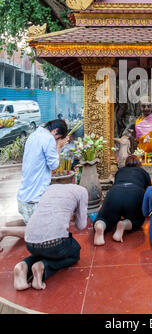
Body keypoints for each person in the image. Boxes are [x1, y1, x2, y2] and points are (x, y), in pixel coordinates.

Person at [0, 119, 69, 250]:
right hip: (34, 198)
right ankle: (4, 231)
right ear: (55, 131)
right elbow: (54, 165)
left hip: (24, 195)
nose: (56, 140)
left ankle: (8, 225)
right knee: (43, 233)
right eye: (57, 137)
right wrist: (59, 147)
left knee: (31, 220)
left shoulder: (34, 134)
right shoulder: (48, 138)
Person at [13, 183, 88, 291]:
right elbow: (81, 226)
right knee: (74, 252)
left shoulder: (51, 188)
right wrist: (74, 216)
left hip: (30, 240)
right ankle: (43, 267)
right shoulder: (82, 191)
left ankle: (23, 266)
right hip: (54, 244)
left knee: (44, 251)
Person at [93, 155, 152, 245]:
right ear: (140, 164)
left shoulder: (120, 171)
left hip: (115, 192)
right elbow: (149, 190)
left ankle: (101, 226)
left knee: (104, 218)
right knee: (137, 220)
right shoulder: (143, 172)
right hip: (135, 194)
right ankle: (124, 224)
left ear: (125, 163)